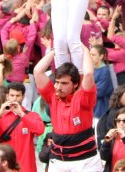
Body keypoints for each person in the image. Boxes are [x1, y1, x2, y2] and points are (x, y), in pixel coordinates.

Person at [33, 43, 102, 171]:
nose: (59, 87)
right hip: (59, 161)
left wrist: (85, 50)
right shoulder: (53, 96)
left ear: (75, 84)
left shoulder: (83, 99)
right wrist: (56, 50)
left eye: (64, 83)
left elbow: (87, 75)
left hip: (86, 162)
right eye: (57, 82)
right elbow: (37, 71)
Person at [0, 82, 44, 172]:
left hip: (26, 167)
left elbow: (40, 130)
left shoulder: (31, 115)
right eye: (12, 95)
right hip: (6, 168)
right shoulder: (0, 116)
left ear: (23, 97)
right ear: (7, 96)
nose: (14, 99)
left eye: (18, 96)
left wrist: (21, 114)